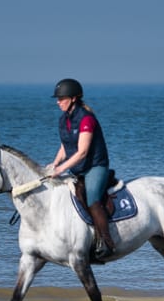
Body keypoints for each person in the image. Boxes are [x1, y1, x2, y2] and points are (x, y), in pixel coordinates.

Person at [48, 78, 116, 260]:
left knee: (92, 198)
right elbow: (65, 147)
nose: (58, 101)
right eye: (58, 98)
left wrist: (61, 169)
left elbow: (83, 151)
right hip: (78, 169)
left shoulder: (87, 119)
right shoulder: (64, 120)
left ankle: (107, 243)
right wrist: (54, 165)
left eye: (61, 98)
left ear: (73, 99)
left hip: (95, 166)